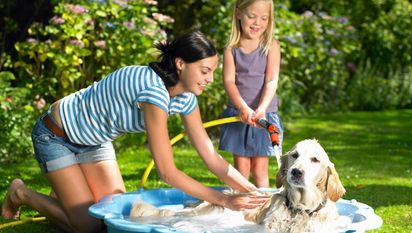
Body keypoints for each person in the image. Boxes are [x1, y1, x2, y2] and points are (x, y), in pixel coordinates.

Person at [1, 31, 268, 233]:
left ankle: (64, 193)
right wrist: (224, 199)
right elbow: (166, 171)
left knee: (110, 213)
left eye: (212, 71)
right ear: (180, 64)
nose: (210, 79)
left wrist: (253, 191)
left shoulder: (186, 98)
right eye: (205, 70)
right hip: (56, 135)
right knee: (87, 225)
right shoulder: (152, 90)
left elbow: (210, 157)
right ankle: (21, 193)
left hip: (95, 142)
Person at [219, 0, 284, 188]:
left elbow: (272, 80)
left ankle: (262, 207)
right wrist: (243, 107)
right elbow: (229, 81)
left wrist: (261, 108)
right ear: (238, 14)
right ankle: (240, 209)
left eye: (264, 18)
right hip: (240, 115)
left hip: (264, 115)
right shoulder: (231, 48)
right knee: (241, 169)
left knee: (260, 169)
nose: (257, 23)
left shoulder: (271, 45)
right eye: (251, 16)